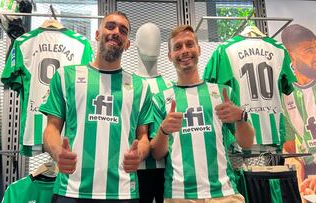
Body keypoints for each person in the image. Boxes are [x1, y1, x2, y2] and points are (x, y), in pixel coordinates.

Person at [40, 11, 153, 203]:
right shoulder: (65, 76)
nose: (116, 32)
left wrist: (140, 154)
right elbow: (51, 129)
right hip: (71, 190)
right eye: (110, 26)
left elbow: (142, 137)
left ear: (127, 44)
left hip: (123, 192)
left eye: (123, 31)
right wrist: (58, 151)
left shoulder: (140, 87)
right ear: (97, 34)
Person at [150, 25, 255, 203]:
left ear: (198, 49)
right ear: (170, 56)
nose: (184, 51)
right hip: (179, 196)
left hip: (225, 193)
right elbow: (157, 154)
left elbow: (247, 143)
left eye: (189, 44)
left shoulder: (224, 93)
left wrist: (240, 117)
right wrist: (163, 131)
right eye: (177, 47)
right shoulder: (161, 98)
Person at [134, 22, 173, 203]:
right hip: (134, 169)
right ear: (135, 42)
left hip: (168, 169)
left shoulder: (171, 87)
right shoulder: (127, 84)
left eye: (157, 38)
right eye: (146, 37)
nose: (152, 43)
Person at [281, 24, 316, 197]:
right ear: (291, 54)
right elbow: (290, 147)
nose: (315, 55)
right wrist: (298, 181)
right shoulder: (284, 95)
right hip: (309, 179)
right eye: (308, 50)